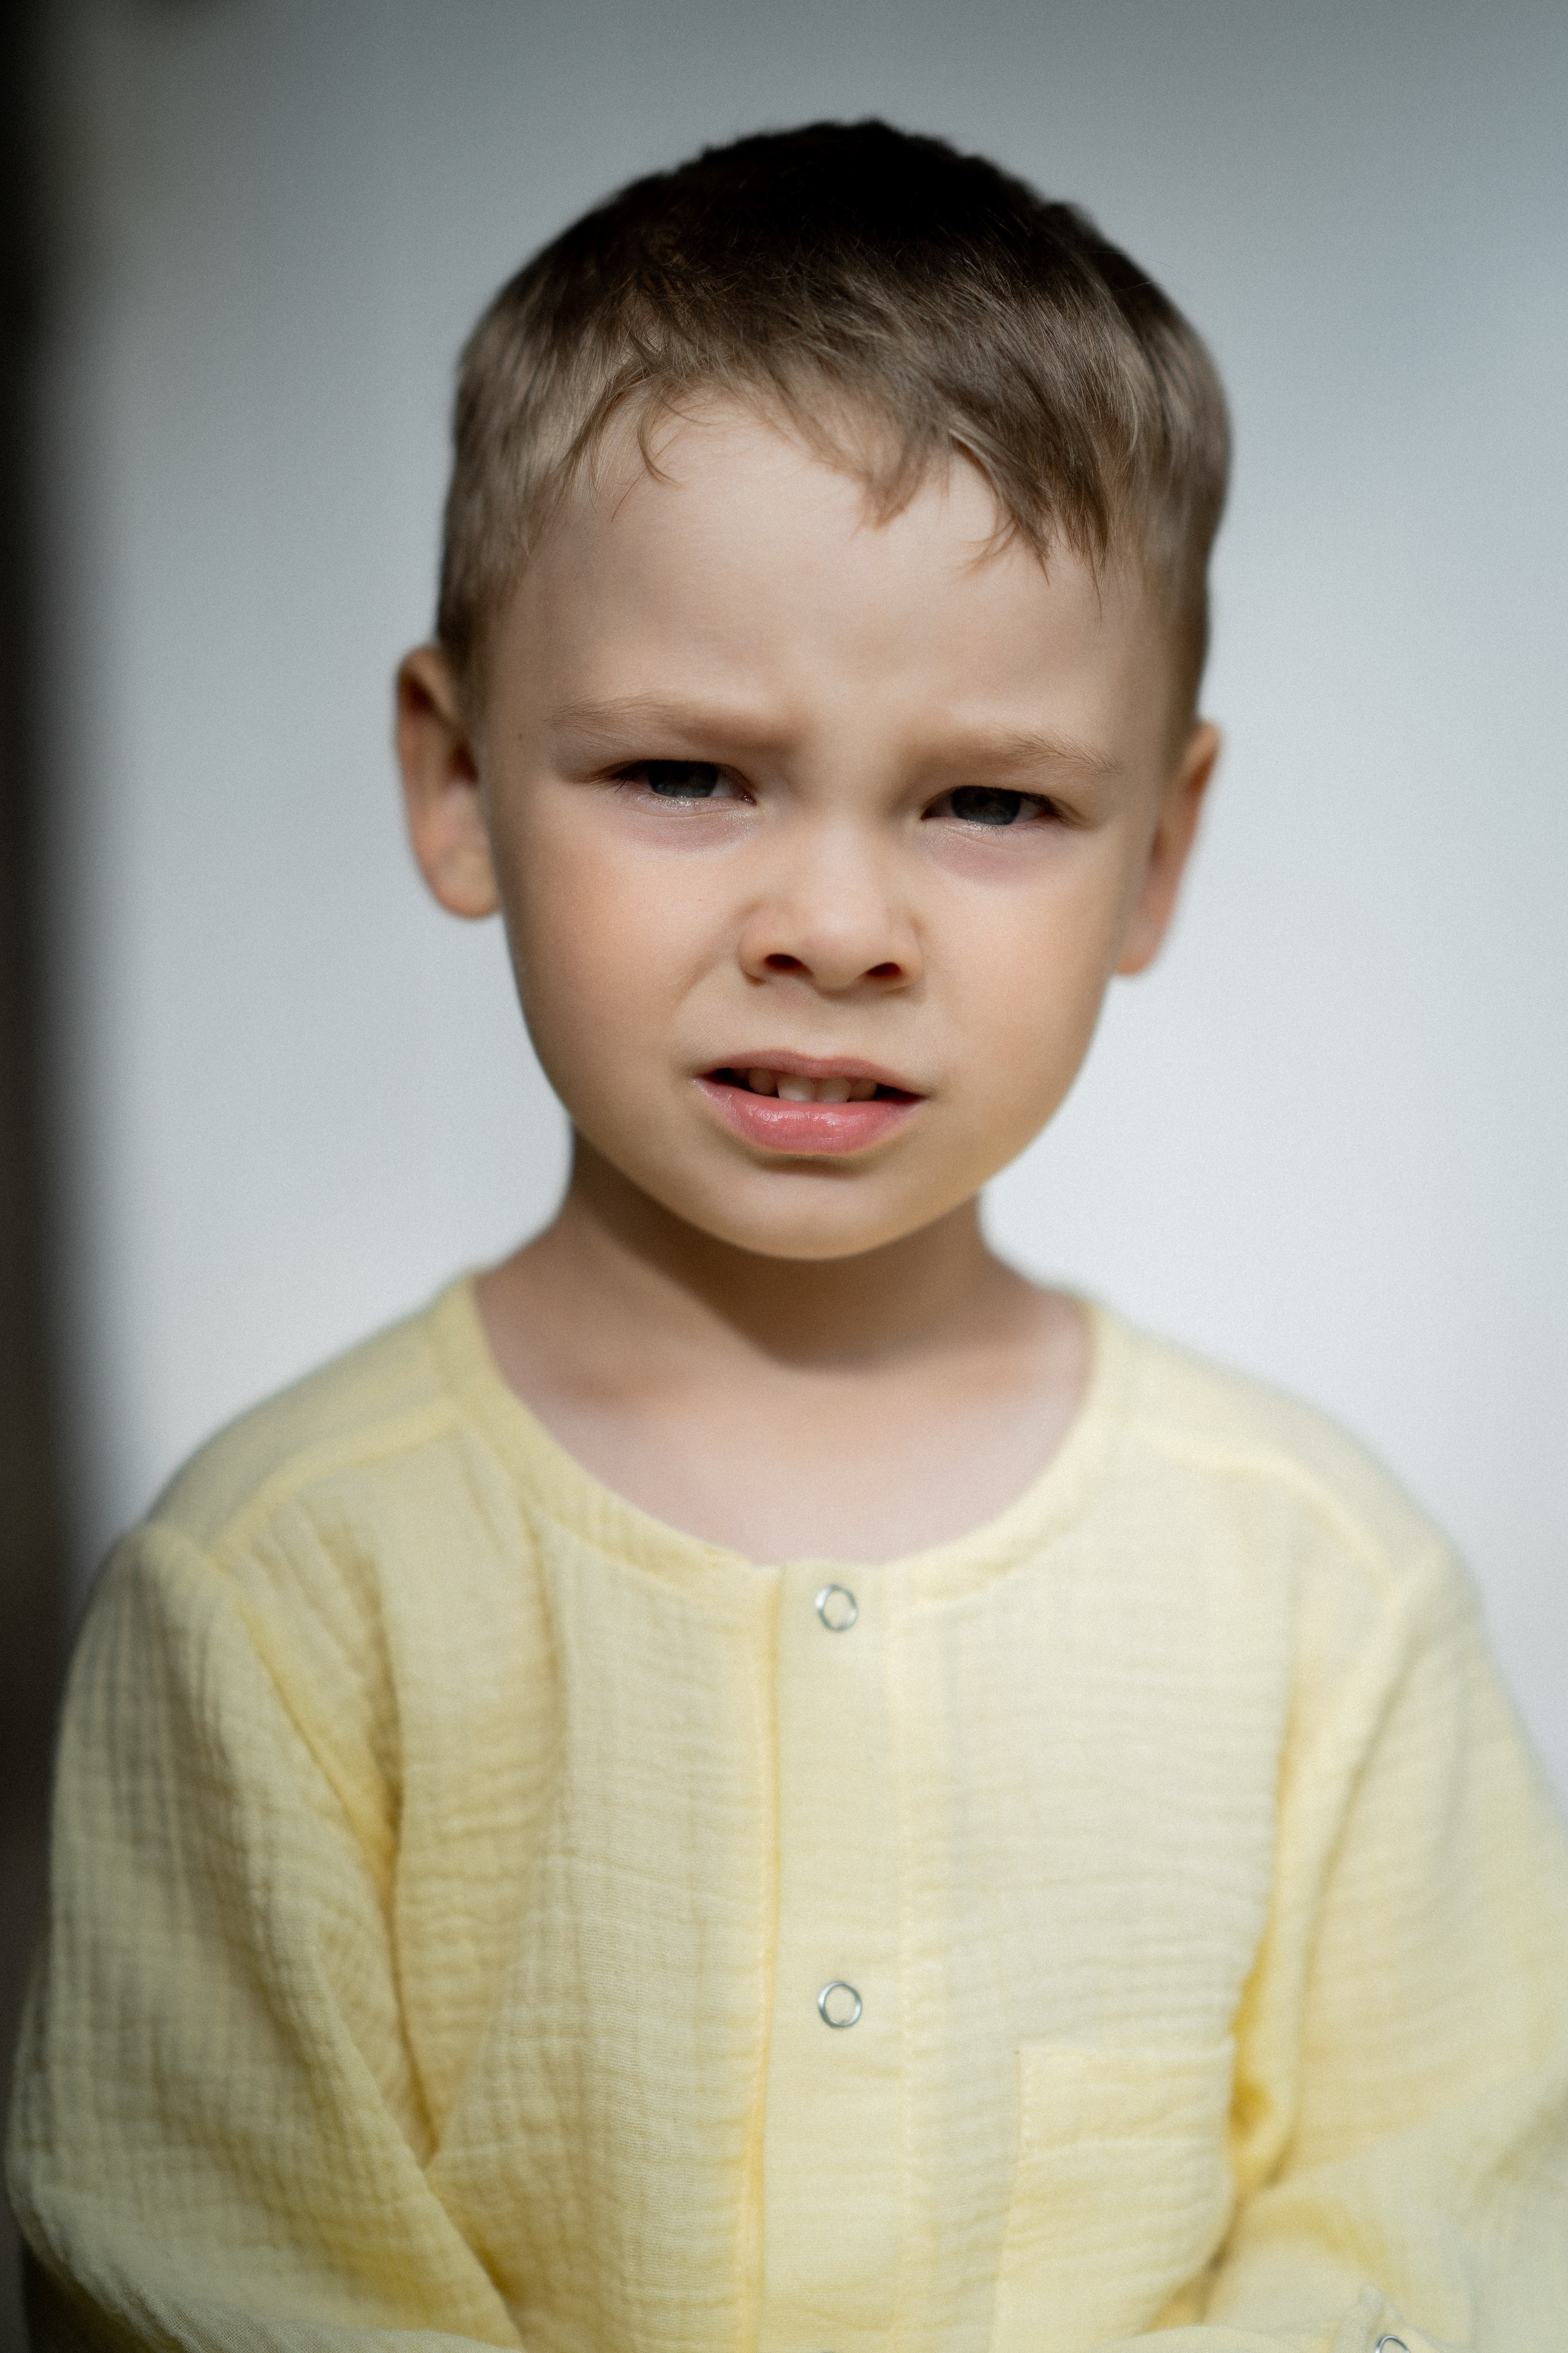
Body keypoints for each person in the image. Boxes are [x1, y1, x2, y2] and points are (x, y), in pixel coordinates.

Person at [7, 120, 1566, 2353]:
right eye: (684, 773)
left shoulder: (1324, 1591)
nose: (835, 927)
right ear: (456, 783)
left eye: (993, 801)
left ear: (1157, 853)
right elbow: (211, 2288)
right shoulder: (274, 1600)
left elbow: (1460, 2238)